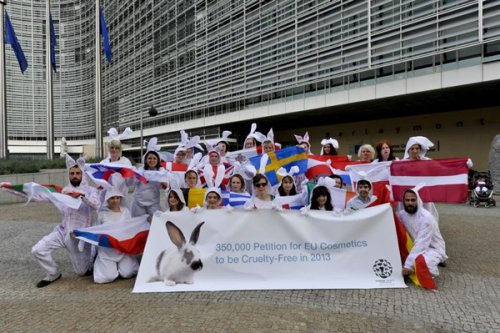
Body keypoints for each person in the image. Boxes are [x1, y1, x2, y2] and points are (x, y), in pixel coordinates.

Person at [31, 155, 100, 288]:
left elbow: (96, 205)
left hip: (79, 236)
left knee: (81, 272)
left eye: (78, 173)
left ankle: (92, 253)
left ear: (83, 174)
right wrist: (15, 190)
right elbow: (40, 197)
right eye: (72, 173)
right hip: (62, 232)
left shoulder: (91, 191)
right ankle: (53, 273)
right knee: (38, 249)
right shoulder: (63, 191)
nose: (75, 176)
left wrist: (83, 196)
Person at [93, 179, 139, 284]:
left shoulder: (126, 212)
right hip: (107, 251)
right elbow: (95, 231)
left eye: (117, 198)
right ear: (107, 200)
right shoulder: (102, 215)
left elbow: (131, 229)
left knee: (128, 273)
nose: (115, 200)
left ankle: (121, 266)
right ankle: (103, 264)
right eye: (112, 198)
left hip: (122, 249)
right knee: (106, 277)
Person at [398, 188, 448, 277]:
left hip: (432, 248)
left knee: (424, 264)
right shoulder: (401, 215)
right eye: (407, 200)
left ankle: (439, 260)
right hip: (413, 247)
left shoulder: (426, 218)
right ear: (403, 201)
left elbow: (422, 243)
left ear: (418, 200)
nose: (410, 203)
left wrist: (408, 265)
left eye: (413, 200)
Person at [130, 139, 168, 218]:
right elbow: (132, 182)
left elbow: (166, 185)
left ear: (158, 160)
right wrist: (137, 176)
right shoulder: (141, 169)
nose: (152, 160)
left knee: (154, 225)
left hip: (153, 203)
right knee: (139, 225)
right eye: (150, 158)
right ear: (146, 160)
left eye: (154, 158)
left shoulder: (161, 171)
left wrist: (164, 184)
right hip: (138, 203)